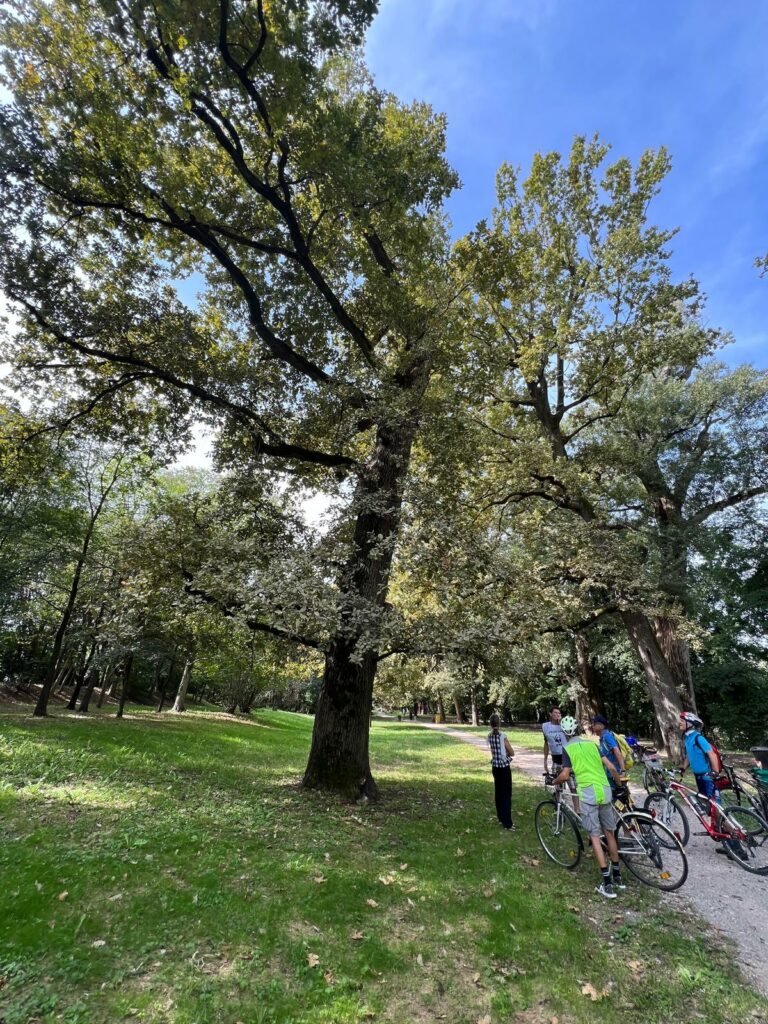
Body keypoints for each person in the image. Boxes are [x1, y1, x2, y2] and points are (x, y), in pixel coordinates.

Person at [551, 715, 625, 898]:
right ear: (577, 730)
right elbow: (611, 767)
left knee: (594, 836)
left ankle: (606, 884)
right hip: (605, 790)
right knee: (609, 833)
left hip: (589, 794)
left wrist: (554, 781)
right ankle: (618, 877)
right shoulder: (592, 744)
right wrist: (620, 785)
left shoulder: (567, 748)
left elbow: (566, 775)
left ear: (564, 733)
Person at [677, 711, 744, 858]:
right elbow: (690, 755)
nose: (679, 723)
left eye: (682, 720)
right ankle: (728, 843)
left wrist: (714, 772)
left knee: (718, 813)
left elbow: (711, 755)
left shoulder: (698, 737)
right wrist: (682, 767)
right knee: (710, 810)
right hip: (699, 778)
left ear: (690, 723)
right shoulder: (688, 739)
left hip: (707, 778)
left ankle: (738, 848)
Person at [487, 713, 515, 830]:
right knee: (506, 794)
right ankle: (507, 822)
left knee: (498, 792)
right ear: (499, 723)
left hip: (495, 766)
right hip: (504, 767)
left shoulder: (489, 736)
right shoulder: (502, 736)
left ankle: (500, 816)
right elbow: (512, 752)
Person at [591, 714, 625, 795]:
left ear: (601, 726)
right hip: (610, 774)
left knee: (616, 800)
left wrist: (623, 770)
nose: (593, 726)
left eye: (594, 724)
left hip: (614, 775)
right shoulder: (603, 738)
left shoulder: (607, 736)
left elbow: (617, 752)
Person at [542, 707, 566, 773]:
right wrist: (545, 761)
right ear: (550, 714)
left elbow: (571, 738)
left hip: (566, 756)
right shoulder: (545, 726)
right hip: (555, 757)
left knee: (571, 781)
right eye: (555, 712)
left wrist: (562, 723)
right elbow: (546, 743)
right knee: (556, 780)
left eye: (559, 713)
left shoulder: (565, 725)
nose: (557, 714)